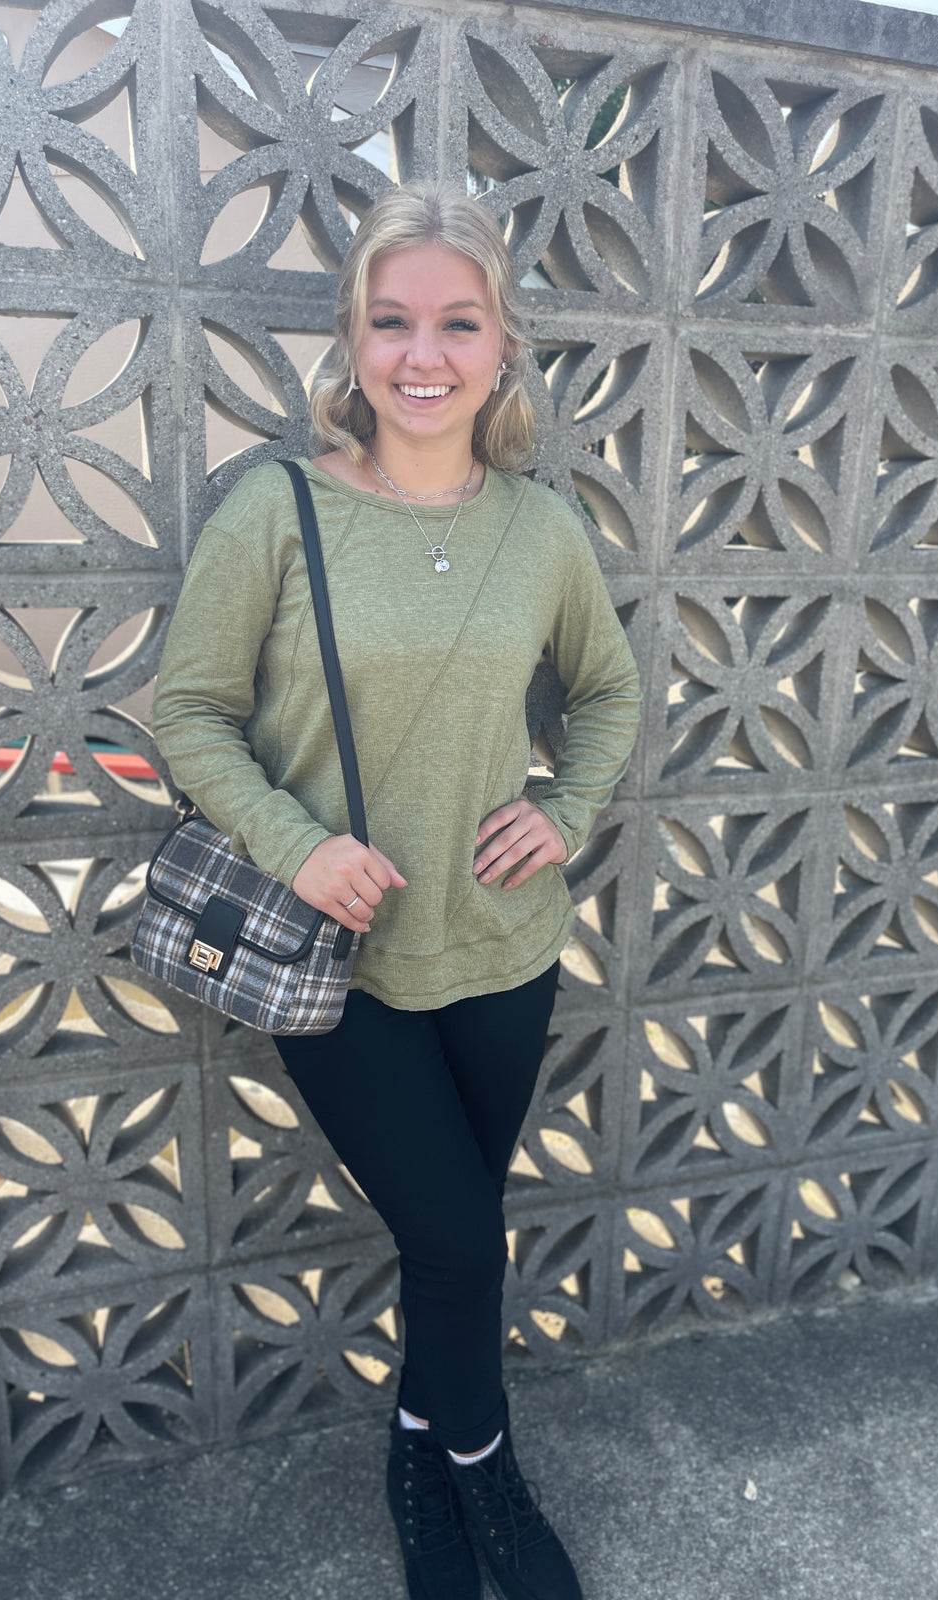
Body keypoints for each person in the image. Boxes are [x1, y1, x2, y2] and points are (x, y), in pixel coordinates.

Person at [152, 181, 641, 1600]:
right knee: (459, 1235)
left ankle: (418, 1458)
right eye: (392, 321)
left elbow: (610, 693)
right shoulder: (278, 510)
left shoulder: (540, 530)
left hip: (502, 948)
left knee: (453, 1249)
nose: (423, 355)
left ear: (502, 346)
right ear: (353, 340)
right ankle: (488, 1478)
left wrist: (566, 808)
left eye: (458, 323)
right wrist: (293, 842)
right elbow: (189, 712)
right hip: (338, 958)